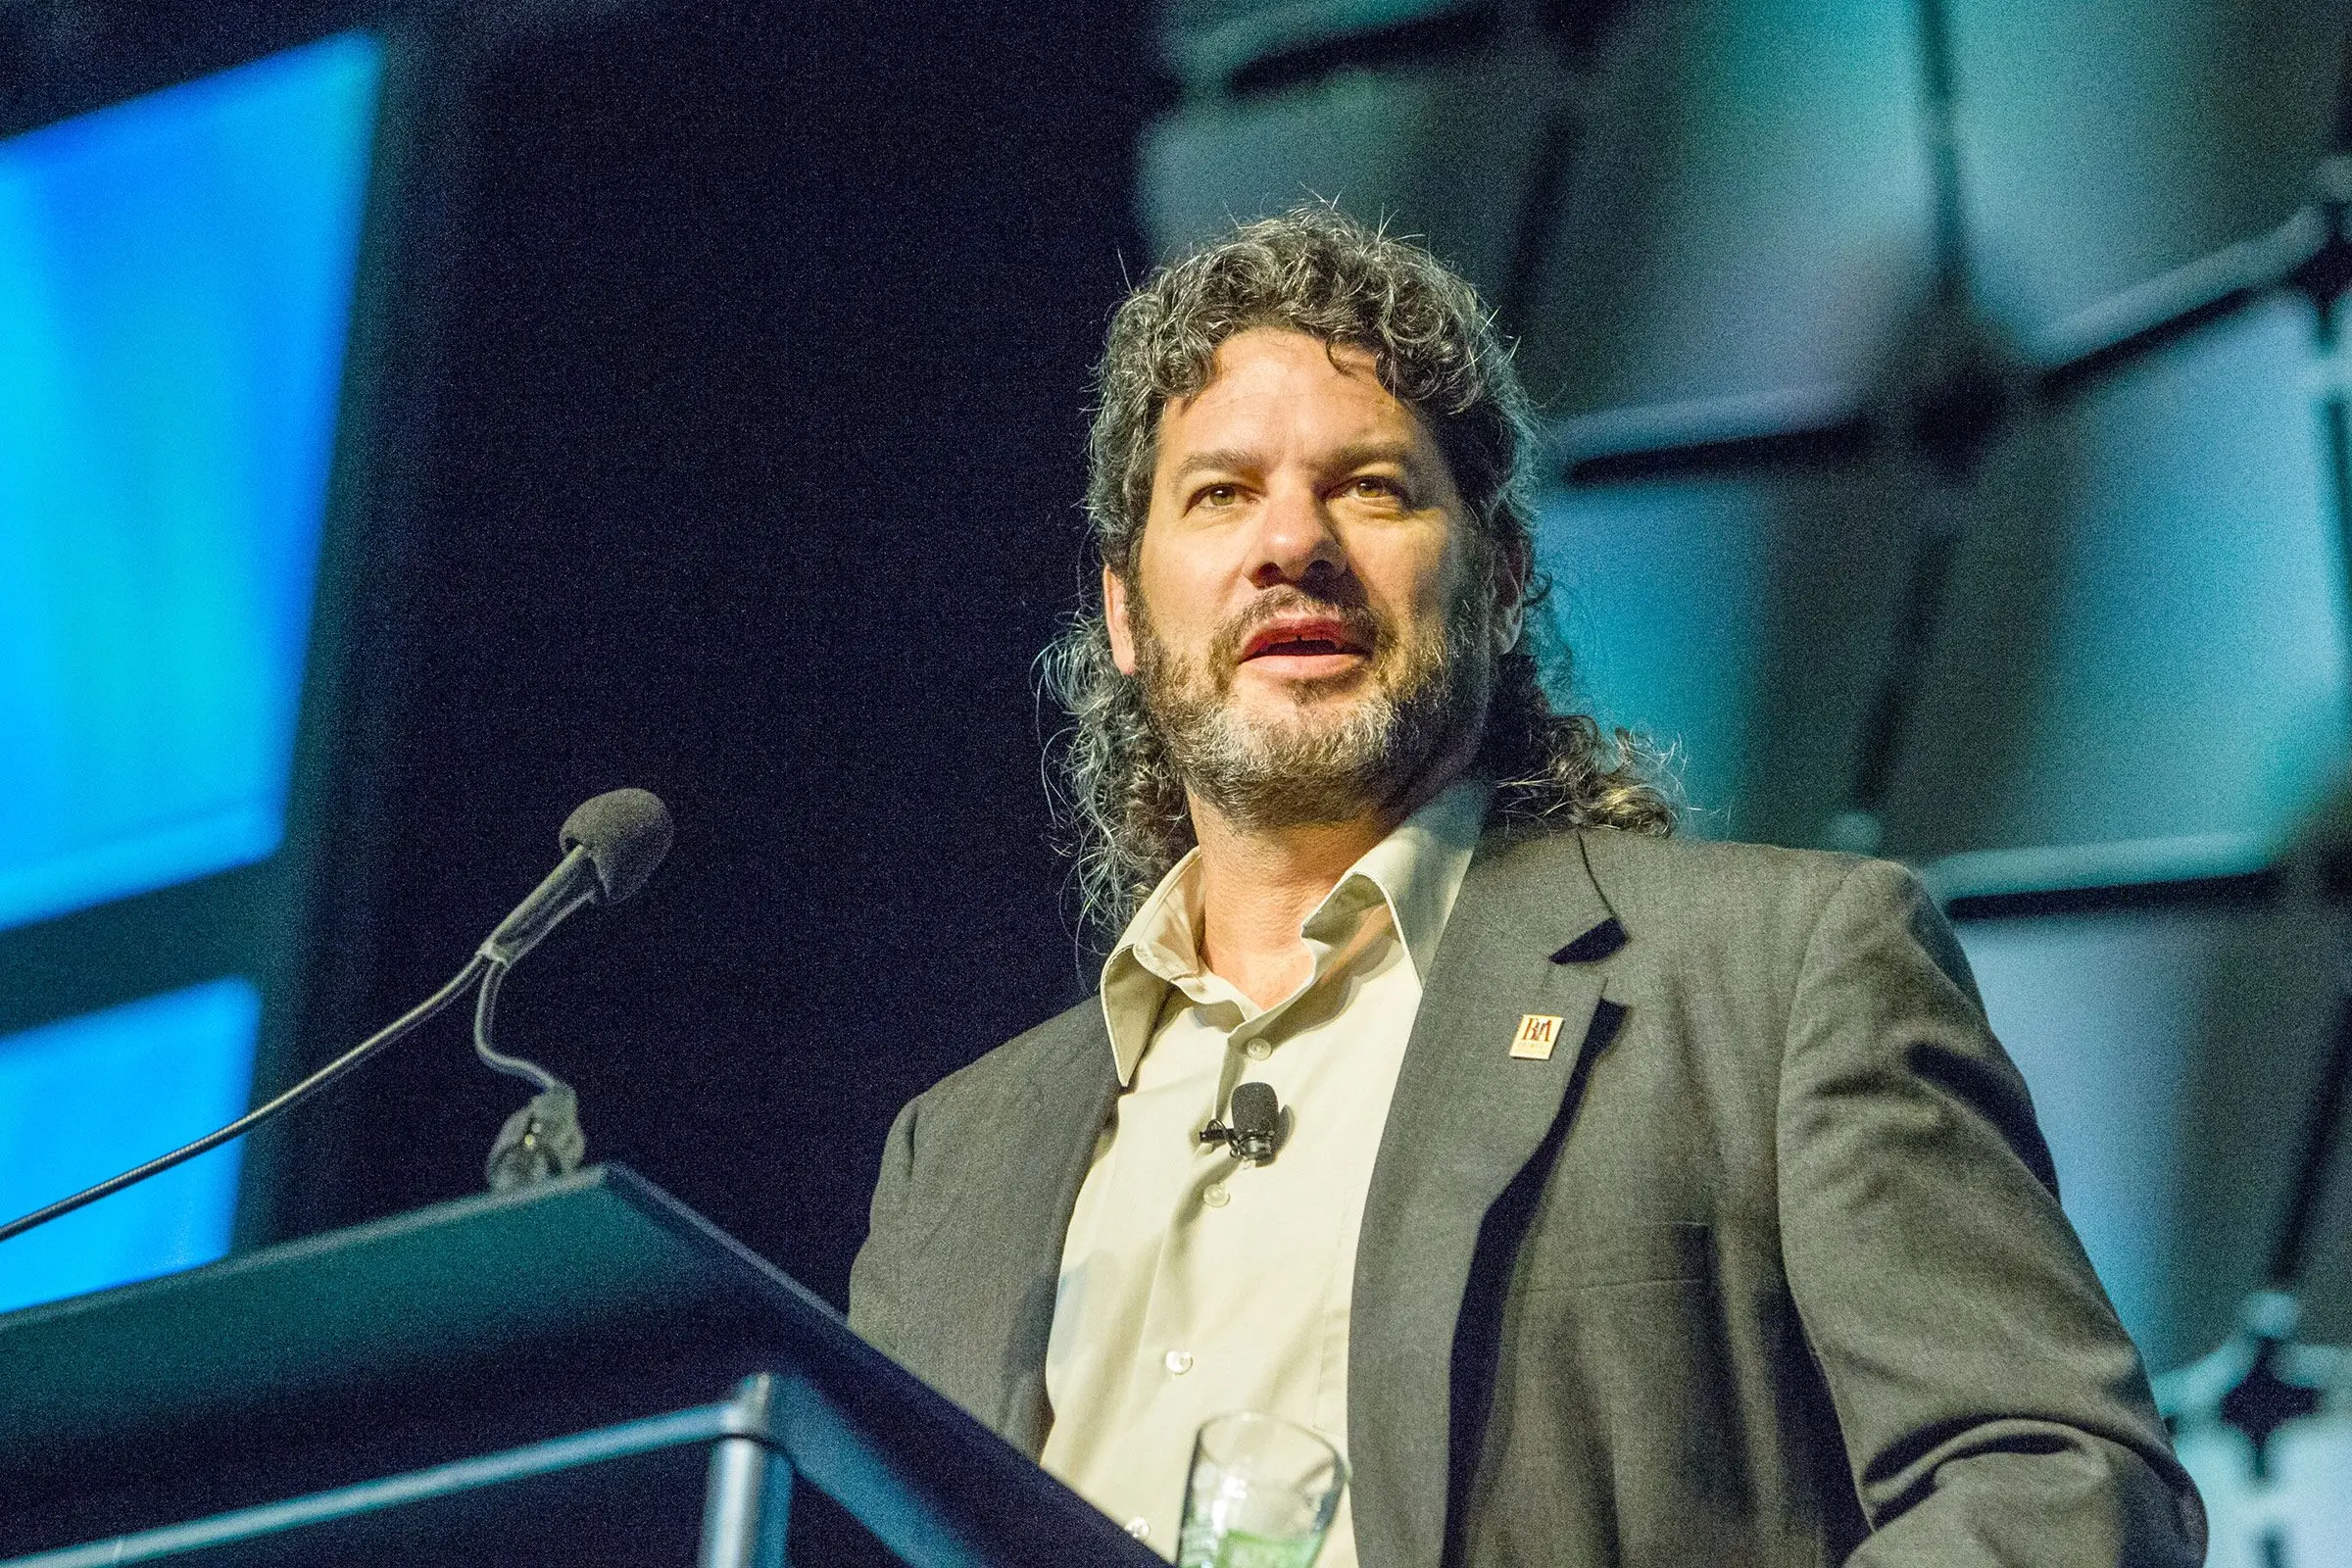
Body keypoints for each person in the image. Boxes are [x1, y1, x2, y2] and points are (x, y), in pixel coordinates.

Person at [846, 207, 2205, 1567]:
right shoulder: (951, 1165)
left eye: (1371, 485)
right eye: (1220, 493)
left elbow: (2058, 1487)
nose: (1293, 544)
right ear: (1128, 616)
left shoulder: (1778, 981)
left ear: (1498, 582)